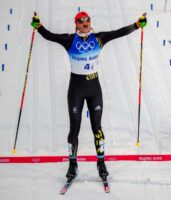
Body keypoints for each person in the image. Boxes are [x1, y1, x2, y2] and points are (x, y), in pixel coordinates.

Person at [30, 12, 147, 180]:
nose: (85, 23)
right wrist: (38, 26)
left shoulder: (99, 38)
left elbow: (119, 32)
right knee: (74, 129)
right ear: (76, 24)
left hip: (94, 90)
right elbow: (50, 36)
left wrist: (137, 25)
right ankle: (72, 164)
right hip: (76, 90)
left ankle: (101, 163)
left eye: (87, 20)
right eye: (81, 21)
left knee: (97, 128)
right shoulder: (69, 40)